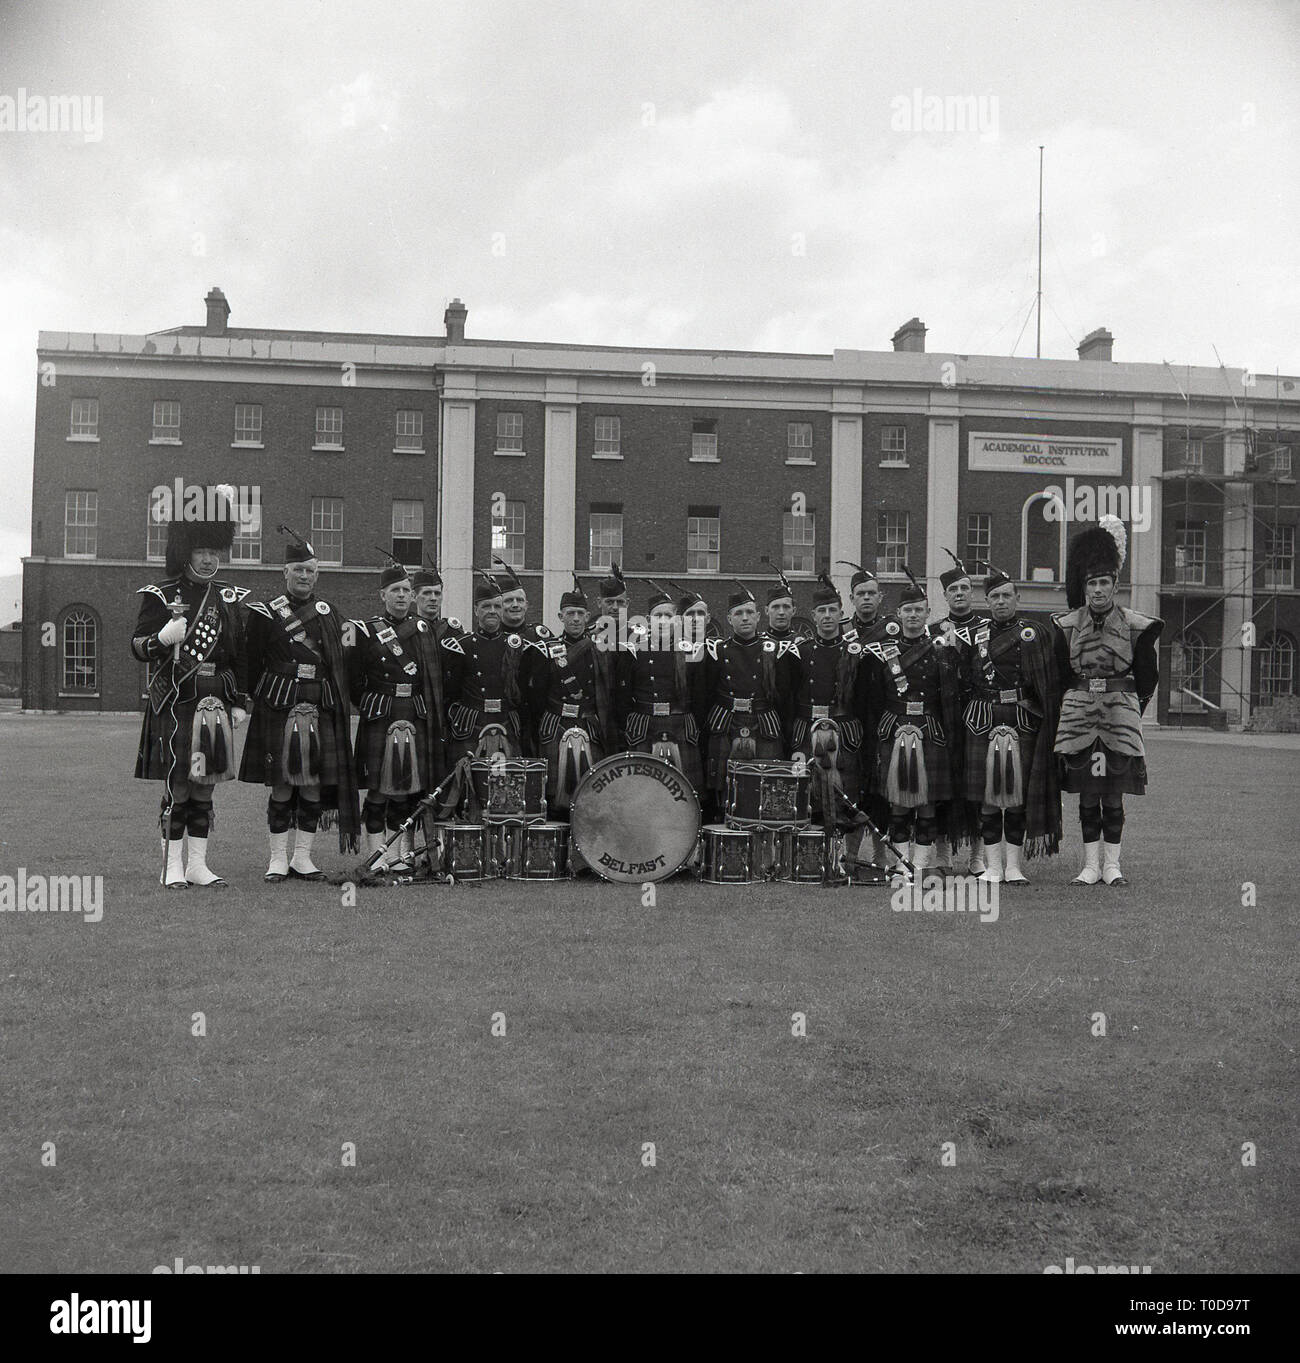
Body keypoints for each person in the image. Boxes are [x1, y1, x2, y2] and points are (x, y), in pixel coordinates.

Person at [131, 486, 248, 889]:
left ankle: (197, 865)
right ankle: (172, 866)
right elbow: (138, 647)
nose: (210, 558)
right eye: (202, 550)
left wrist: (237, 699)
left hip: (214, 702)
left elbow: (237, 657)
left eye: (215, 551)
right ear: (186, 550)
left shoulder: (229, 600)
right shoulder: (161, 596)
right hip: (177, 701)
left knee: (204, 785)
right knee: (178, 785)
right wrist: (162, 638)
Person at [238, 525, 360, 881]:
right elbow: (252, 660)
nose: (304, 576)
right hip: (279, 704)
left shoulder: (328, 613)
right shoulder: (264, 613)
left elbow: (339, 663)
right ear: (285, 572)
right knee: (281, 782)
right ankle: (278, 858)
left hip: (319, 704)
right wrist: (253, 698)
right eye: (298, 570)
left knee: (312, 783)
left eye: (310, 570)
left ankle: (302, 858)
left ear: (317, 575)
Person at [1053, 516, 1162, 886]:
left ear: (1115, 584)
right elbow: (1061, 676)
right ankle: (1089, 865)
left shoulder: (1136, 625)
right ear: (1084, 587)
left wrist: (1131, 708)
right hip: (1080, 717)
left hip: (1120, 717)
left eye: (1104, 582)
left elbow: (1148, 677)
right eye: (1092, 583)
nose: (1098, 590)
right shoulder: (1067, 625)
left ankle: (1112, 865)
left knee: (1113, 796)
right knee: (1086, 795)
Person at [859, 568, 965, 883]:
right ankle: (901, 866)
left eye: (919, 609)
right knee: (898, 804)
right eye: (908, 610)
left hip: (930, 730)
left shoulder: (943, 651)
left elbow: (951, 697)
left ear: (928, 613)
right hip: (894, 728)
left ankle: (920, 866)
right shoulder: (883, 653)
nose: (914, 615)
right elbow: (874, 700)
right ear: (898, 613)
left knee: (928, 803)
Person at [958, 563, 1061, 883]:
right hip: (982, 719)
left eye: (1006, 595)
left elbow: (1048, 680)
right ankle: (992, 867)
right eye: (994, 597)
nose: (1000, 601)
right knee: (989, 797)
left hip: (1022, 719)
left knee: (1015, 797)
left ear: (1017, 598)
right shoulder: (973, 636)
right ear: (986, 602)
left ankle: (1014, 867)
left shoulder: (1035, 633)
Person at [348, 558, 447, 870]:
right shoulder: (365, 631)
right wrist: (373, 702)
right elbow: (353, 680)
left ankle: (398, 855)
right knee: (378, 790)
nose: (402, 595)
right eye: (395, 590)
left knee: (406, 791)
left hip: (414, 714)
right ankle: (377, 856)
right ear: (383, 595)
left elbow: (432, 680)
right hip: (381, 714)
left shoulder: (423, 631)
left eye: (406, 590)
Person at [696, 583, 799, 822]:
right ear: (729, 618)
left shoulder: (775, 651)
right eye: (738, 613)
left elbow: (784, 698)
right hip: (725, 725)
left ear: (758, 616)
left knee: (766, 791)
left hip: (764, 726)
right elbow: (707, 695)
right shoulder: (716, 651)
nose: (745, 618)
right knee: (723, 791)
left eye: (749, 613)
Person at [525, 576, 614, 814]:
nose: (575, 618)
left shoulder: (601, 651)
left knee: (591, 794)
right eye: (570, 613)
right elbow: (537, 697)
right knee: (553, 796)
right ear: (560, 617)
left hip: (589, 726)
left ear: (587, 617)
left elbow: (606, 694)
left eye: (580, 614)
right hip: (555, 726)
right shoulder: (546, 650)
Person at [836, 560, 901, 875]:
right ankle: (849, 857)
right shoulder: (842, 632)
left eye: (871, 593)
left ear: (880, 597)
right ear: (851, 598)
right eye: (860, 593)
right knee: (853, 789)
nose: (866, 598)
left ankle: (880, 856)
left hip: (885, 721)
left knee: (880, 792)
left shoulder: (894, 631)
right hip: (851, 723)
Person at [791, 575, 868, 838]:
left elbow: (864, 699)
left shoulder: (855, 652)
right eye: (821, 611)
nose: (827, 616)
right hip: (807, 729)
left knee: (847, 795)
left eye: (832, 610)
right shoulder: (800, 651)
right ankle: (810, 857)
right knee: (807, 794)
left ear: (841, 613)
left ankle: (845, 859)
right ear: (813, 615)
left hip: (844, 730)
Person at [615, 582, 705, 791]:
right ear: (648, 621)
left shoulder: (692, 651)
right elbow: (623, 696)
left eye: (668, 616)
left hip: (680, 724)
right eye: (658, 616)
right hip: (644, 725)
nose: (663, 621)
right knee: (642, 790)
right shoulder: (633, 651)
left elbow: (700, 695)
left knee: (685, 790)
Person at [440, 571, 530, 766]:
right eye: (486, 606)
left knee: (509, 787)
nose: (492, 611)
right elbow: (450, 691)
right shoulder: (459, 646)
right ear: (476, 610)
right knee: (466, 785)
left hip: (507, 722)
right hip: (470, 723)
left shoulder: (517, 645)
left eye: (497, 606)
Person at [763, 569, 813, 644]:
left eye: (786, 607)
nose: (781, 612)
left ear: (793, 611)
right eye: (775, 607)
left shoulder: (802, 645)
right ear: (767, 610)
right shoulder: (758, 645)